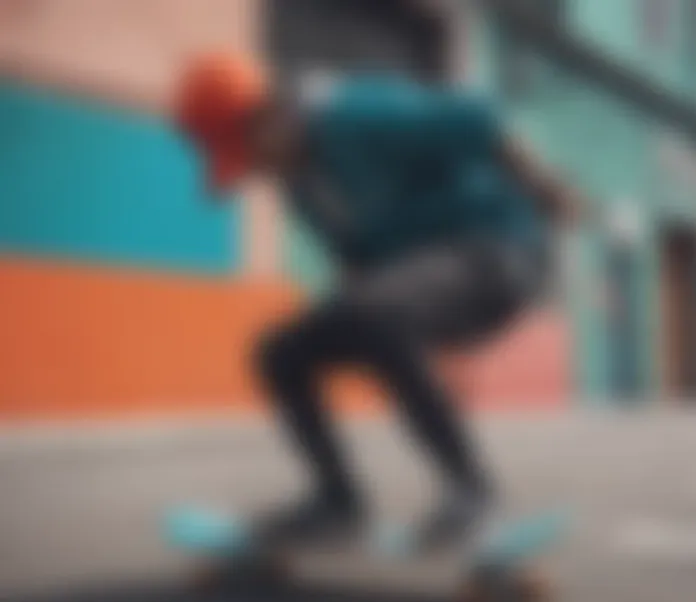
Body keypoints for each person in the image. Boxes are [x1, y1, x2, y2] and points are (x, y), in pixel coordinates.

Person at [174, 53, 576, 550]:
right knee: (281, 352)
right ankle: (337, 505)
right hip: (419, 279)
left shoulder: (355, 114)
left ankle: (472, 492)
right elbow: (358, 266)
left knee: (378, 310)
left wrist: (544, 187)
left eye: (250, 154)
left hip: (500, 251)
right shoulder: (302, 186)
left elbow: (479, 119)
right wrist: (346, 328)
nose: (257, 171)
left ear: (270, 113)